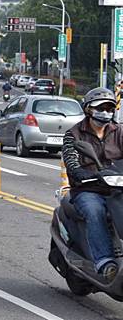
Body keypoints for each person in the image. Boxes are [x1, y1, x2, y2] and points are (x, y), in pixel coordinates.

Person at [62, 87, 123, 282]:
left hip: (117, 187)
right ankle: (105, 262)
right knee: (94, 210)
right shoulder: (74, 134)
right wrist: (82, 173)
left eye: (109, 108)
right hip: (88, 188)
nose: (105, 112)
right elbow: (71, 162)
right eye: (100, 107)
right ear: (88, 109)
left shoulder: (119, 132)